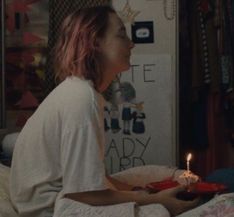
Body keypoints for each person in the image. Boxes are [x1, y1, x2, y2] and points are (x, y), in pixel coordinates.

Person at [9, 5, 199, 217]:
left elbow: (89, 180)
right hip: (51, 209)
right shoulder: (80, 97)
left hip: (60, 198)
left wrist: (140, 191)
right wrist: (152, 200)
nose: (131, 43)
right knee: (161, 210)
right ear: (95, 42)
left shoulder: (81, 91)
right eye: (121, 34)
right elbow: (83, 195)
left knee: (148, 188)